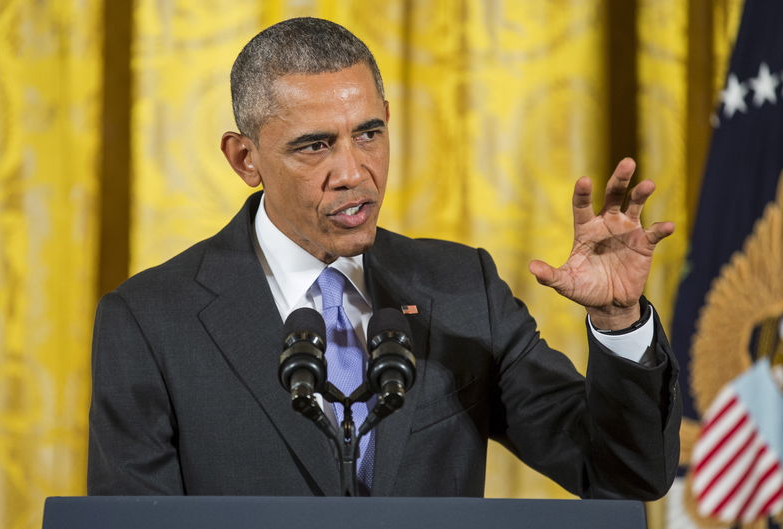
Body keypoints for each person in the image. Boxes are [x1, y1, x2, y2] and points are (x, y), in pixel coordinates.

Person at [88, 17, 680, 498]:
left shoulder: (462, 288)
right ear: (246, 159)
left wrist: (619, 321)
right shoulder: (150, 320)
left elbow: (623, 476)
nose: (353, 172)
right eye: (315, 145)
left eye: (368, 134)